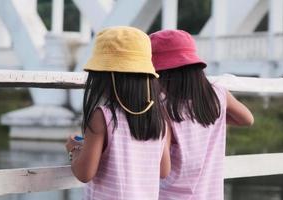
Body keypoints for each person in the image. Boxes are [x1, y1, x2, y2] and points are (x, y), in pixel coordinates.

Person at [65, 26, 171, 200]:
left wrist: (75, 149)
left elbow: (84, 173)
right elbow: (164, 170)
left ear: (106, 76)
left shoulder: (102, 116)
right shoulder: (159, 116)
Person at [149, 30, 254, 200]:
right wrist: (214, 117)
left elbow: (163, 168)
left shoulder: (163, 108)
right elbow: (247, 119)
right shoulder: (218, 94)